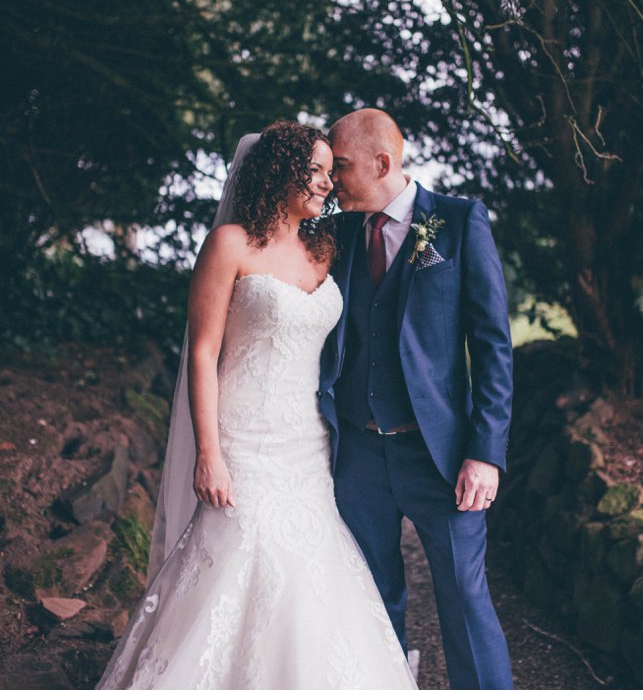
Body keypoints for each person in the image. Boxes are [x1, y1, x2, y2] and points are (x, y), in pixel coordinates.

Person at [97, 120, 417, 690]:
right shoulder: (229, 245)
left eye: (329, 171)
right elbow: (202, 353)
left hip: (307, 442)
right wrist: (209, 453)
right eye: (315, 170)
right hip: (241, 436)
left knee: (308, 572)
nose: (326, 183)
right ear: (278, 171)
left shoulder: (325, 248)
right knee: (237, 562)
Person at [318, 108, 515, 689]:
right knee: (371, 601)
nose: (332, 182)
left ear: (383, 163)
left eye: (343, 167)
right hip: (357, 456)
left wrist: (486, 452)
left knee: (462, 598)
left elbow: (493, 345)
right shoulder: (341, 232)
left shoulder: (458, 222)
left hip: (441, 455)